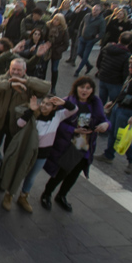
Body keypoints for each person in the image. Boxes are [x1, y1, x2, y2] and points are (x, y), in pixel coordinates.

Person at [0, 57, 51, 184]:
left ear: (25, 70)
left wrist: (26, 81)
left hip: (16, 124)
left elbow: (45, 87)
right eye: (13, 69)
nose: (15, 72)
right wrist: (9, 84)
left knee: (9, 154)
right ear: (9, 69)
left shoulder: (29, 82)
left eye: (19, 70)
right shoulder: (3, 78)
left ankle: (1, 177)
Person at [40, 76, 109, 212]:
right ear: (76, 88)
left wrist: (106, 124)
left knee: (75, 173)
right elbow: (57, 122)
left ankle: (62, 195)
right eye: (82, 87)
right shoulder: (67, 102)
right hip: (69, 143)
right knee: (62, 171)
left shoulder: (96, 103)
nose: (84, 90)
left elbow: (103, 119)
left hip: (85, 143)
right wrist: (73, 129)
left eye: (88, 88)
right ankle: (47, 193)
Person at [0, 94, 77, 213]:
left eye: (48, 104)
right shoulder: (34, 115)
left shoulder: (57, 116)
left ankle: (23, 196)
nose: (44, 106)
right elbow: (20, 123)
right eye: (43, 103)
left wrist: (64, 103)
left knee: (31, 177)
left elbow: (74, 109)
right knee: (19, 173)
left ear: (54, 108)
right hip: (28, 151)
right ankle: (9, 195)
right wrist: (30, 110)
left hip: (43, 154)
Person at [96, 52, 132, 174]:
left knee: (120, 136)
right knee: (112, 131)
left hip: (128, 111)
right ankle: (108, 155)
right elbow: (125, 92)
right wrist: (113, 102)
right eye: (131, 58)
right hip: (119, 107)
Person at [74, 3, 106, 75]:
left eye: (97, 10)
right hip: (82, 38)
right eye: (94, 9)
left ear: (100, 11)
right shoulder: (87, 16)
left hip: (90, 40)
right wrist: (79, 35)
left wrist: (94, 40)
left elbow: (102, 32)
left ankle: (78, 71)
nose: (94, 11)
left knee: (85, 56)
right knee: (79, 52)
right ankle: (89, 66)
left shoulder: (101, 20)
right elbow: (81, 25)